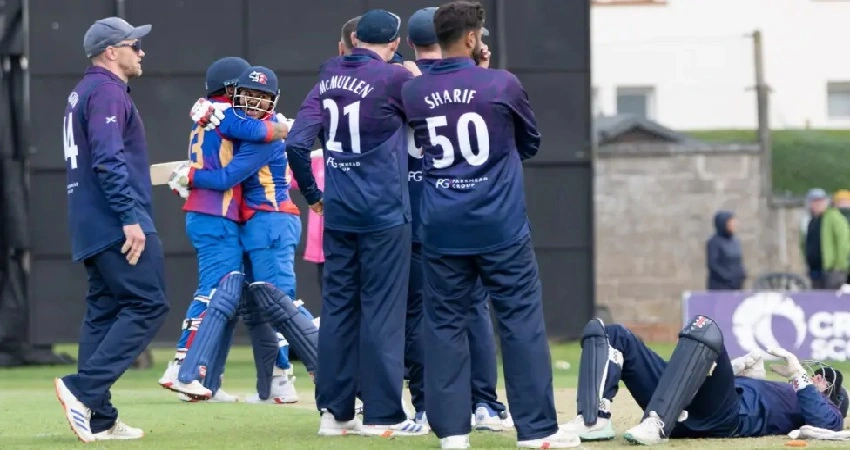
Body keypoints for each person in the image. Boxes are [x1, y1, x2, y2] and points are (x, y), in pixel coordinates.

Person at [400, 2, 576, 448]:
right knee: (520, 322)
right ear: (474, 39)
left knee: (443, 326)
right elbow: (530, 142)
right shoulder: (502, 83)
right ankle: (535, 432)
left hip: (441, 225)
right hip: (501, 226)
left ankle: (453, 435)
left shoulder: (413, 93)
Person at [286, 9, 425, 437]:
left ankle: (334, 412)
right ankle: (384, 413)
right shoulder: (395, 77)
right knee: (382, 312)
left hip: (340, 212)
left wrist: (313, 197)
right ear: (392, 41)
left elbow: (295, 142)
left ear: (353, 40)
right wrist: (415, 74)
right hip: (384, 212)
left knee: (340, 311)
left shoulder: (327, 77)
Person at [55, 17, 170, 443]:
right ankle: (83, 391)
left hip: (87, 218)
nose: (141, 51)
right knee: (148, 303)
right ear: (111, 52)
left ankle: (99, 417)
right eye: (133, 45)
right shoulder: (105, 90)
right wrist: (130, 217)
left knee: (104, 312)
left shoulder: (83, 90)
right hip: (114, 218)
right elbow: (107, 160)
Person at [404, 6, 512, 433]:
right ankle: (485, 402)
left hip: (416, 214)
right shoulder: (478, 82)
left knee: (421, 315)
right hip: (473, 209)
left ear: (408, 43)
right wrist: (481, 66)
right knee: (475, 311)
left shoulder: (404, 84)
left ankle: (429, 406)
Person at [563, 316, 847, 445]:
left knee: (704, 326)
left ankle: (658, 422)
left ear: (833, 399)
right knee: (607, 331)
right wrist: (740, 373)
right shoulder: (784, 392)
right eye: (815, 375)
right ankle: (593, 418)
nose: (816, 376)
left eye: (824, 380)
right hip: (690, 399)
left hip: (724, 416)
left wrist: (799, 377)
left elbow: (828, 424)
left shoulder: (822, 408)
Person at [800, 188, 850, 289]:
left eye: (820, 201)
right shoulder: (809, 220)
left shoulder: (834, 217)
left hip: (831, 270)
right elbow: (803, 243)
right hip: (815, 270)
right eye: (814, 201)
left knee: (832, 300)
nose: (817, 204)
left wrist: (839, 266)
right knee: (817, 300)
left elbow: (844, 241)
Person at [705, 210, 746, 290]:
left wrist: (742, 274)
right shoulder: (714, 242)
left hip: (736, 285)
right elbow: (713, 265)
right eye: (731, 222)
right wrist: (728, 277)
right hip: (720, 286)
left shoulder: (735, 241)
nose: (734, 225)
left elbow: (738, 261)